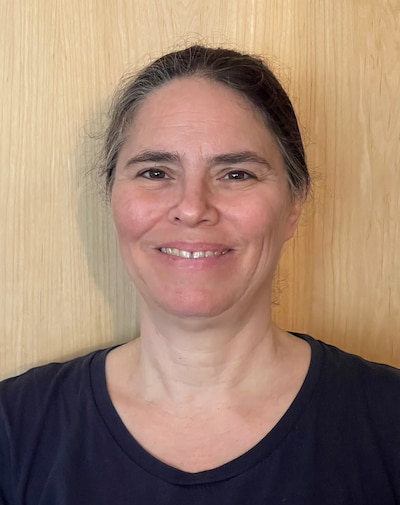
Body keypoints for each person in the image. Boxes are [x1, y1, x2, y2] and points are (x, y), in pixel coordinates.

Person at [0, 45, 399, 505]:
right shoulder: (15, 431)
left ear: (294, 204)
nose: (192, 208)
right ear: (111, 198)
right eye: (154, 171)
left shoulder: (389, 423)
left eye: (236, 174)